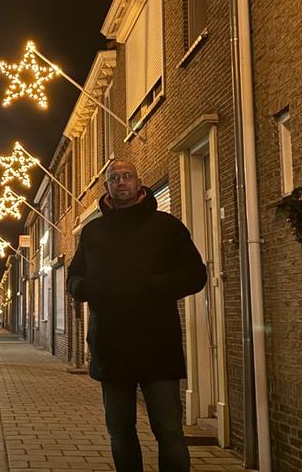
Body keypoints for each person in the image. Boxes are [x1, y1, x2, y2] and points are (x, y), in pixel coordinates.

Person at [67, 159, 207, 472]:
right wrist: (87, 287)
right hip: (110, 347)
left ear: (139, 182)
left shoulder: (166, 227)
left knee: (169, 431)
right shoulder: (92, 233)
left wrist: (153, 286)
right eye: (113, 178)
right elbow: (73, 278)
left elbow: (196, 274)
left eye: (127, 176)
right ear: (106, 187)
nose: (120, 182)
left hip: (157, 346)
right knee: (120, 432)